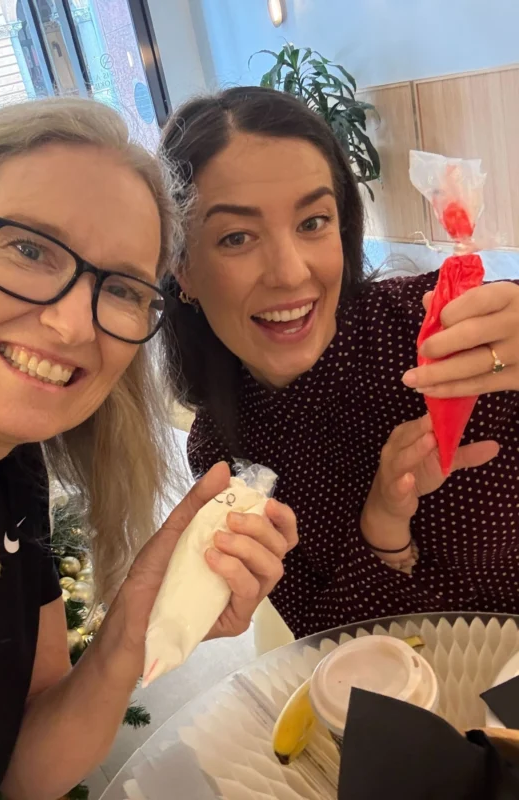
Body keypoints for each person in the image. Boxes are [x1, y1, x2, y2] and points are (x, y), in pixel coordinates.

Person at [0, 97, 298, 799]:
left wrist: (136, 619)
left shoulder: (13, 469)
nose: (75, 325)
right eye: (30, 249)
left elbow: (24, 770)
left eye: (122, 288)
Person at [160, 86, 519, 640]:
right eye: (236, 237)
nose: (289, 272)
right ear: (182, 268)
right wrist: (383, 526)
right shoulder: (221, 449)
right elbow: (322, 647)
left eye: (312, 223)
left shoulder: (443, 333)